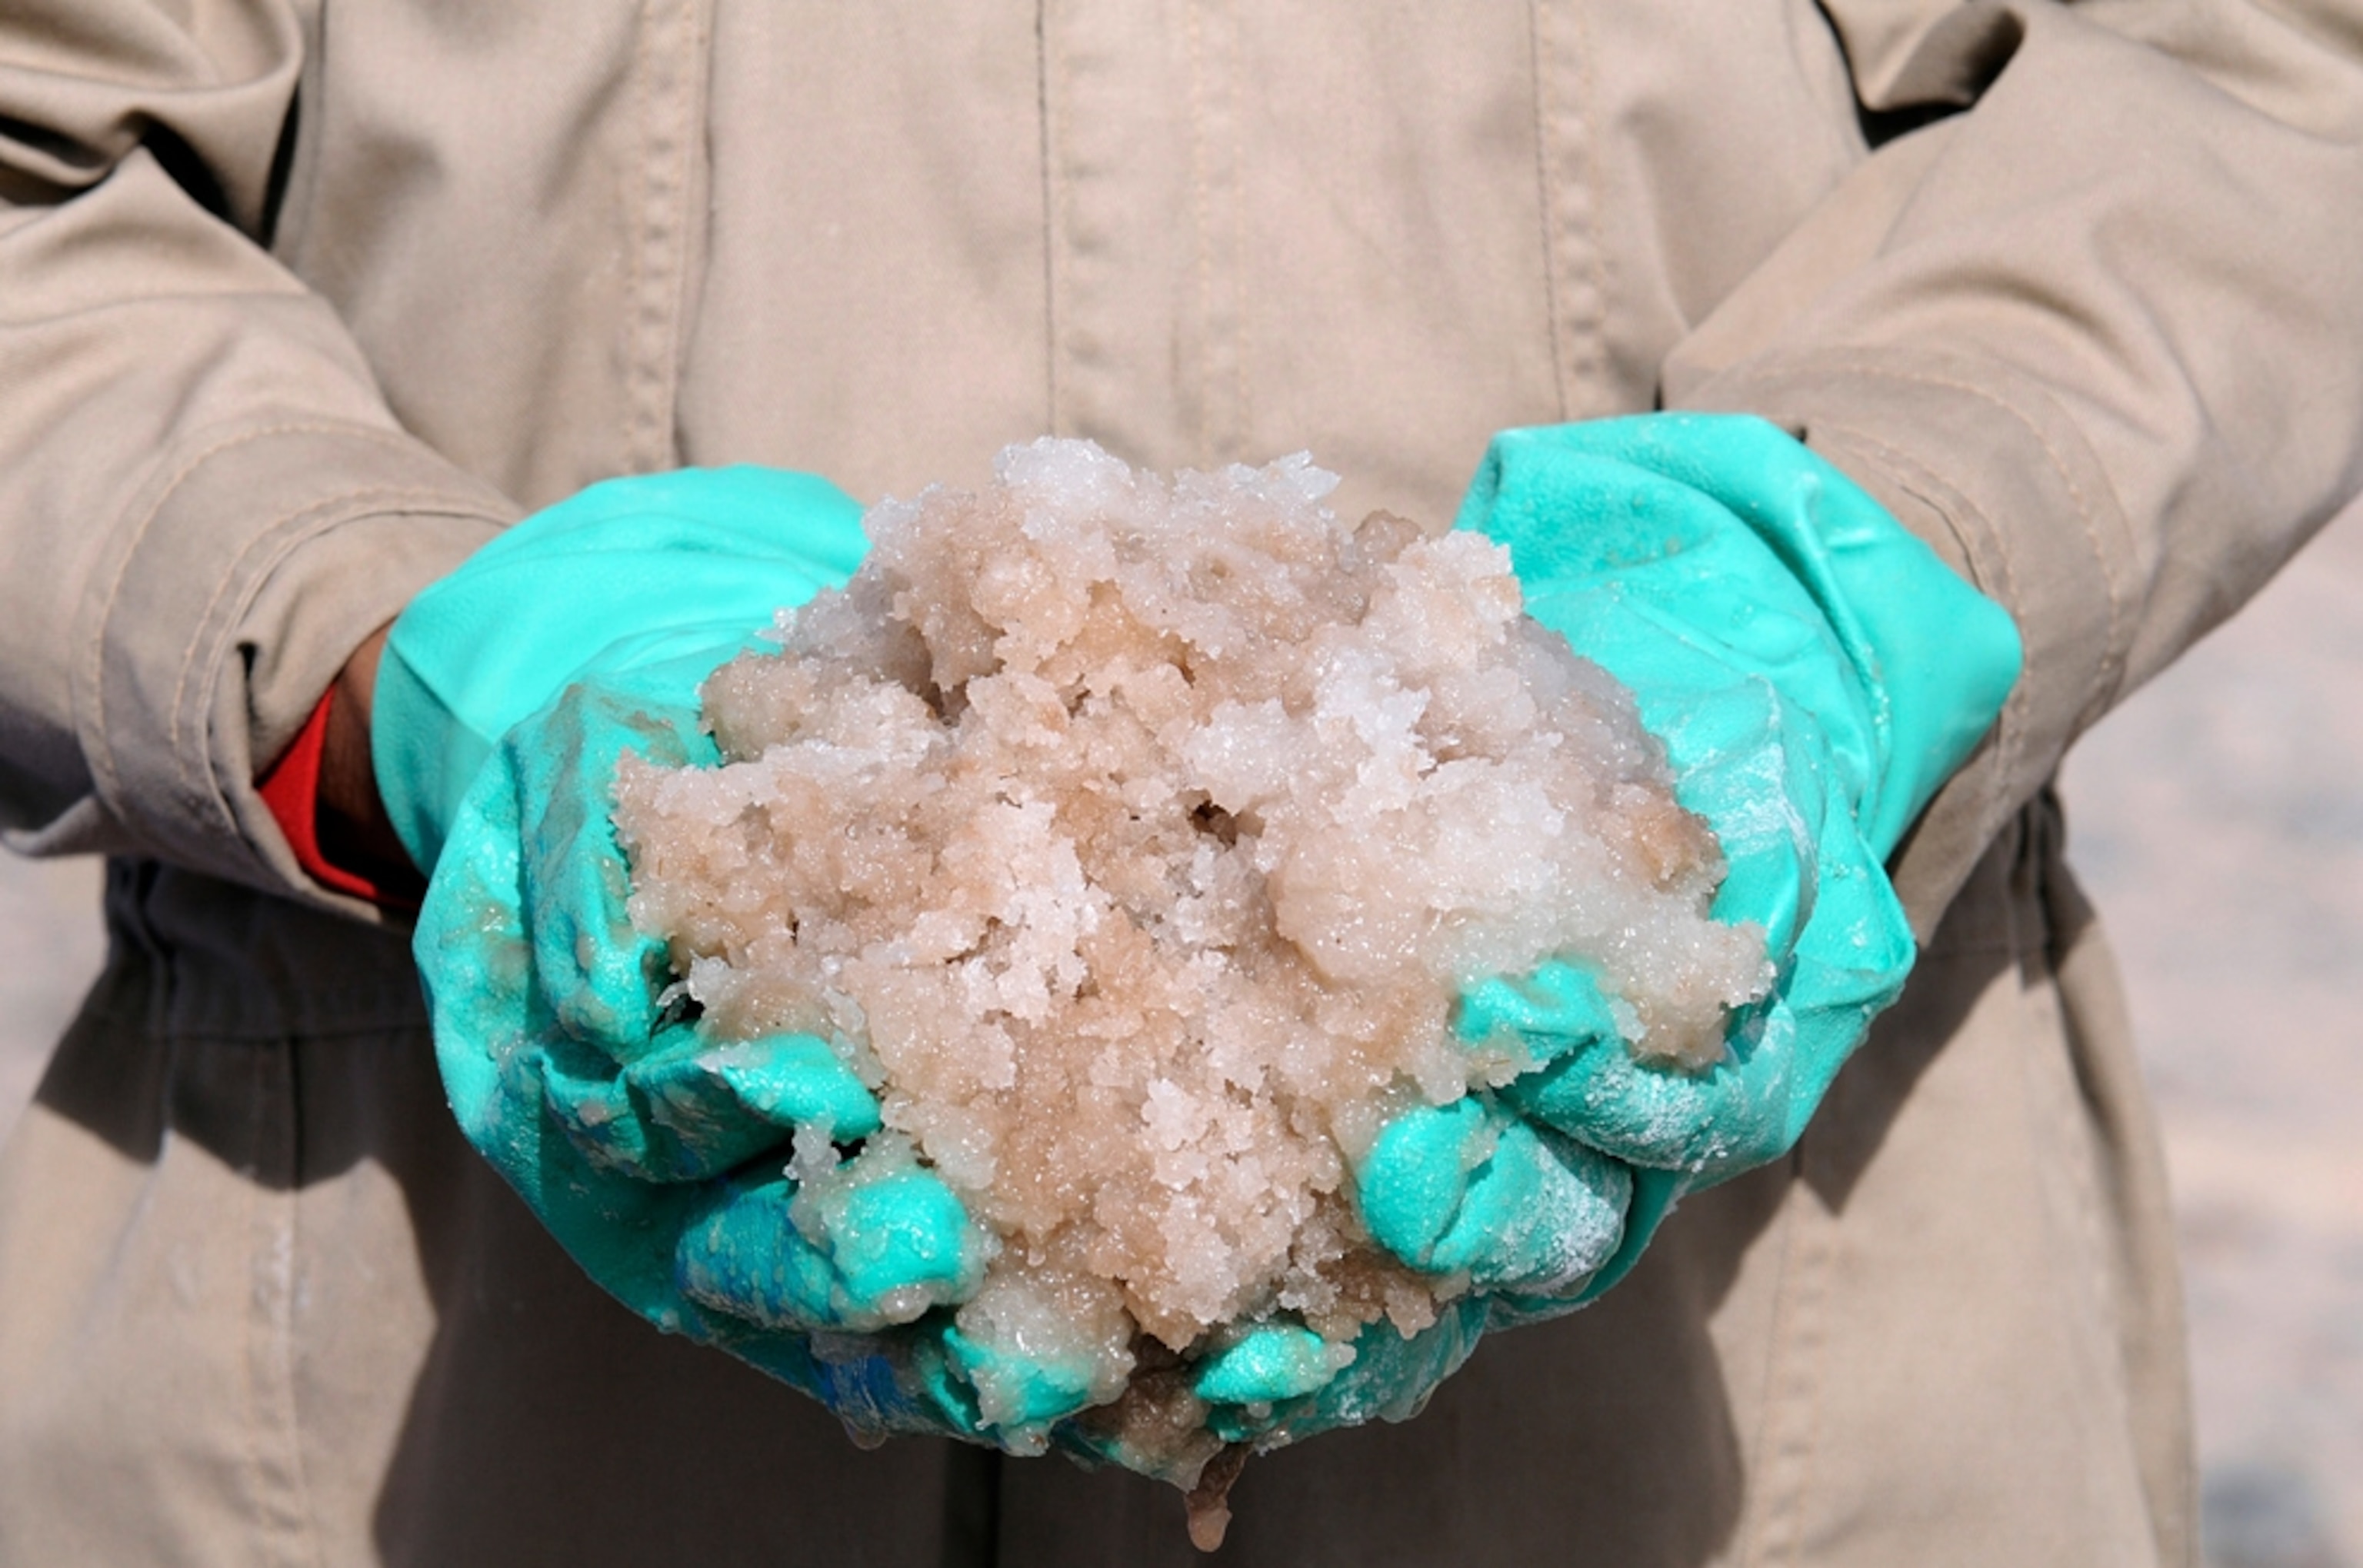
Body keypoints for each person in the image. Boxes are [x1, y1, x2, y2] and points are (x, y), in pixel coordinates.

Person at [1, 2, 2357, 1563]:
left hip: (1772, 1415)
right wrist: (364, 656)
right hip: (429, 1400)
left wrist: (1868, 556)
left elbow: (2256, 65)